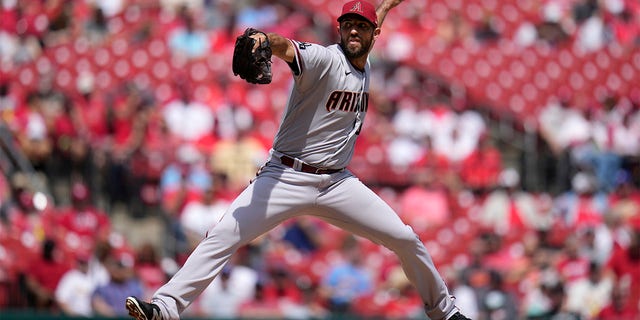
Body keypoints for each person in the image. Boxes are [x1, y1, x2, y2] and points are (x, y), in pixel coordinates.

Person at [125, 1, 470, 319]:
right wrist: (264, 38)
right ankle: (165, 306)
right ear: (339, 29)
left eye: (361, 26)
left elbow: (375, 16)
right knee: (223, 234)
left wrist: (387, 5)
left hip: (337, 183)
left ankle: (445, 312)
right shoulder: (325, 59)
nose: (353, 30)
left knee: (405, 238)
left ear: (374, 33)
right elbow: (287, 47)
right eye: (347, 24)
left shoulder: (362, 56)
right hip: (286, 176)